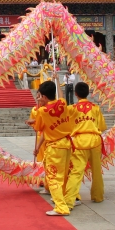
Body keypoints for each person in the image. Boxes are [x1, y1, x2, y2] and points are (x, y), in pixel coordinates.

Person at [27, 80, 74, 216]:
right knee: (63, 175)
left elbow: (39, 128)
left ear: (45, 97)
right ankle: (63, 200)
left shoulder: (42, 111)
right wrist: (57, 80)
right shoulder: (63, 103)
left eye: (40, 96)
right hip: (66, 144)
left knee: (53, 177)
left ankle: (61, 207)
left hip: (55, 147)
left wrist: (33, 121)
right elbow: (61, 96)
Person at [63, 82, 108, 210]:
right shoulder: (95, 108)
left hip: (79, 141)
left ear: (75, 94)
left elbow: (64, 117)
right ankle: (98, 196)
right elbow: (101, 127)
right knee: (96, 171)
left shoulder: (72, 108)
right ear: (88, 93)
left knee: (76, 172)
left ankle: (69, 200)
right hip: (95, 140)